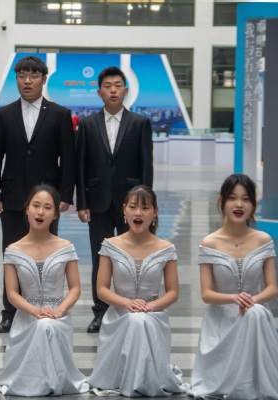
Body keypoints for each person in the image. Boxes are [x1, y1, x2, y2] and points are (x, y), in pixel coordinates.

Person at [0, 55, 75, 333]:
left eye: (33, 76)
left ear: (43, 79)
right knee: (11, 254)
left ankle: (47, 305)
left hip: (48, 200)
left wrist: (65, 195)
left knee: (47, 254)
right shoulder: (3, 114)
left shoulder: (60, 114)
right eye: (22, 75)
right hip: (12, 196)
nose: (27, 81)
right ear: (16, 79)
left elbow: (68, 159)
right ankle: (10, 312)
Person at [88, 185, 188, 397]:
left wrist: (149, 307)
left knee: (140, 320)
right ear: (124, 210)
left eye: (145, 207)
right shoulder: (110, 245)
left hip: (153, 315)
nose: (138, 213)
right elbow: (102, 289)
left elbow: (173, 292)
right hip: (119, 315)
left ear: (155, 212)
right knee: (135, 320)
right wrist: (127, 304)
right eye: (133, 207)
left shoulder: (166, 248)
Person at [0, 185, 89, 396]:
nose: (40, 212)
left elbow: (75, 289)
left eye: (47, 207)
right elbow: (12, 294)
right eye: (36, 206)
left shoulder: (66, 247)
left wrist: (58, 311)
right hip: (27, 317)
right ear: (27, 209)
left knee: (47, 326)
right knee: (42, 324)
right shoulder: (13, 249)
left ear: (55, 214)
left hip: (58, 316)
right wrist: (35, 311)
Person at [76, 66, 153, 333]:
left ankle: (130, 307)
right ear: (99, 92)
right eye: (107, 86)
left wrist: (145, 205)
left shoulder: (140, 123)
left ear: (125, 90)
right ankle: (100, 312)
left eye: (117, 85)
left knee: (131, 257)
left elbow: (146, 166)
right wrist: (82, 203)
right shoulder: (87, 125)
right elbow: (81, 166)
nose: (113, 90)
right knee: (100, 257)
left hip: (131, 204)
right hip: (97, 202)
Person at [188, 174, 278, 399]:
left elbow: (272, 288)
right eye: (232, 198)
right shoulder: (210, 242)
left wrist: (251, 301)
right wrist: (233, 298)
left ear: (253, 204)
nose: (239, 205)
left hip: (254, 315)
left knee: (255, 313)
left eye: (246, 199)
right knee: (254, 313)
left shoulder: (264, 239)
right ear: (222, 201)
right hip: (221, 321)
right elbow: (206, 294)